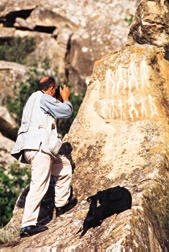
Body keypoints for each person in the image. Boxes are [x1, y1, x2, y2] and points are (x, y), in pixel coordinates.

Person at [11, 76, 77, 238]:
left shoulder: (34, 99)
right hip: (40, 147)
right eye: (55, 90)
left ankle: (61, 204)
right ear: (52, 88)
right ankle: (27, 225)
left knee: (64, 167)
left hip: (35, 147)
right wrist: (66, 98)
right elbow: (66, 112)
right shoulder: (44, 98)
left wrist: (58, 101)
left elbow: (50, 112)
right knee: (39, 183)